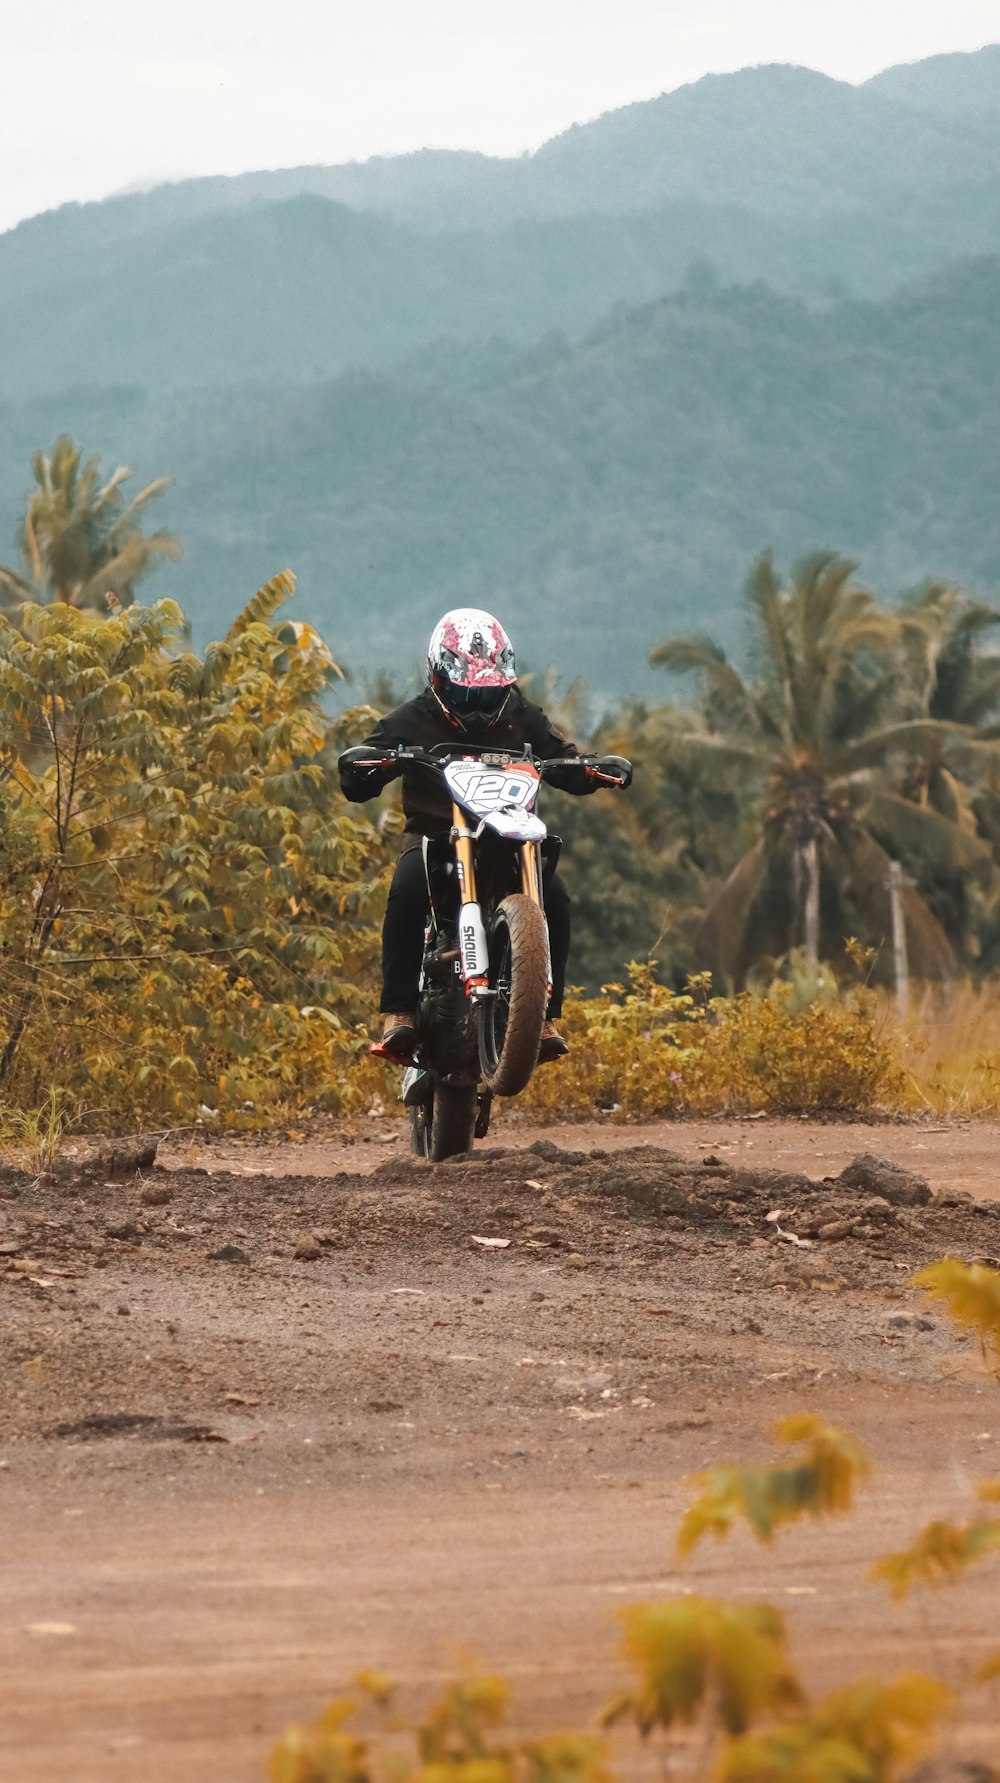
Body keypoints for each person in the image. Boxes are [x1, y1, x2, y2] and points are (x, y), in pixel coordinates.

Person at [338, 606, 601, 1065]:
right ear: (439, 681)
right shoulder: (413, 717)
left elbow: (563, 757)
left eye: (487, 696)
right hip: (435, 839)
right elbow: (356, 780)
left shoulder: (521, 713)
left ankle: (543, 1018)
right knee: (406, 887)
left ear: (506, 683)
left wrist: (589, 769)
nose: (477, 708)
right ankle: (397, 1012)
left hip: (507, 840)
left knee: (555, 898)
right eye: (464, 694)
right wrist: (371, 764)